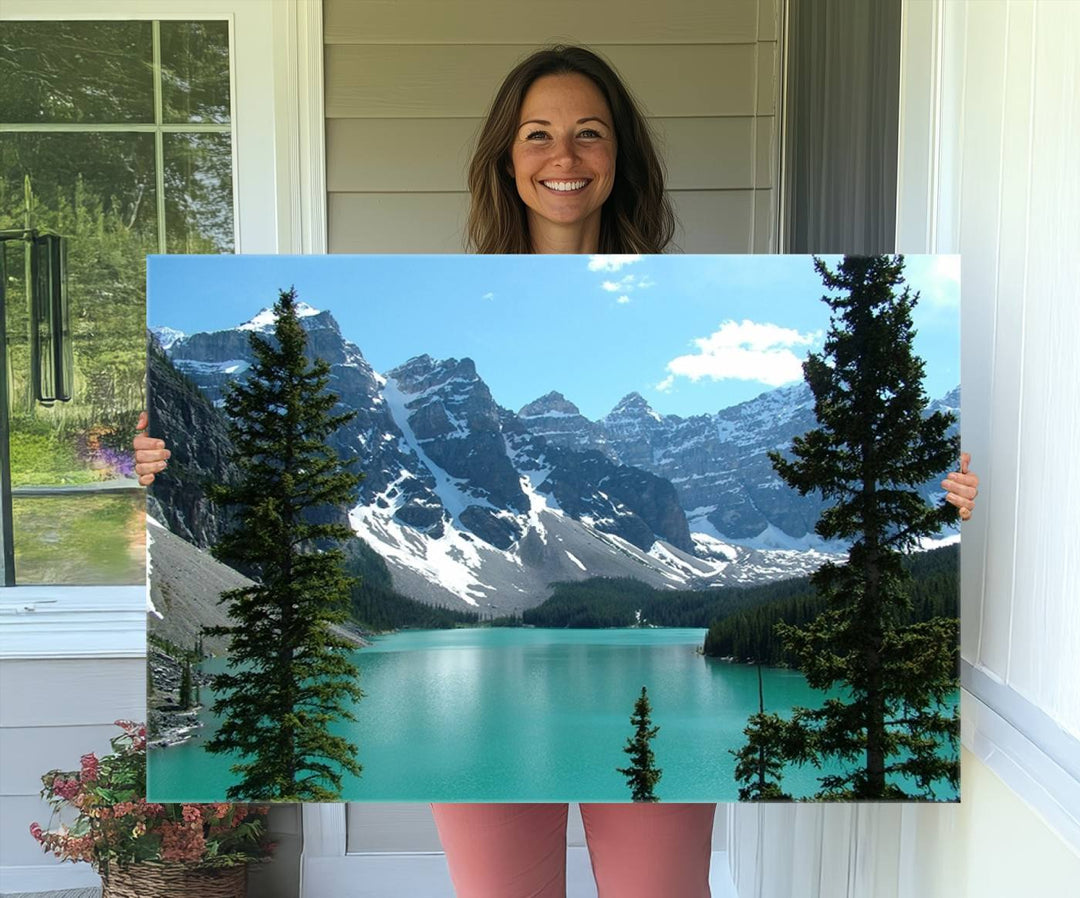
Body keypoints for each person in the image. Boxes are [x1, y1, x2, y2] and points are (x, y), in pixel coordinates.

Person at [134, 45, 980, 898]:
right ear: (507, 158)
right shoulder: (435, 299)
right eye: (538, 134)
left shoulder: (697, 284)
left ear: (621, 158)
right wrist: (145, 470)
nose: (564, 157)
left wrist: (944, 502)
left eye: (589, 134)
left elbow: (920, 500)